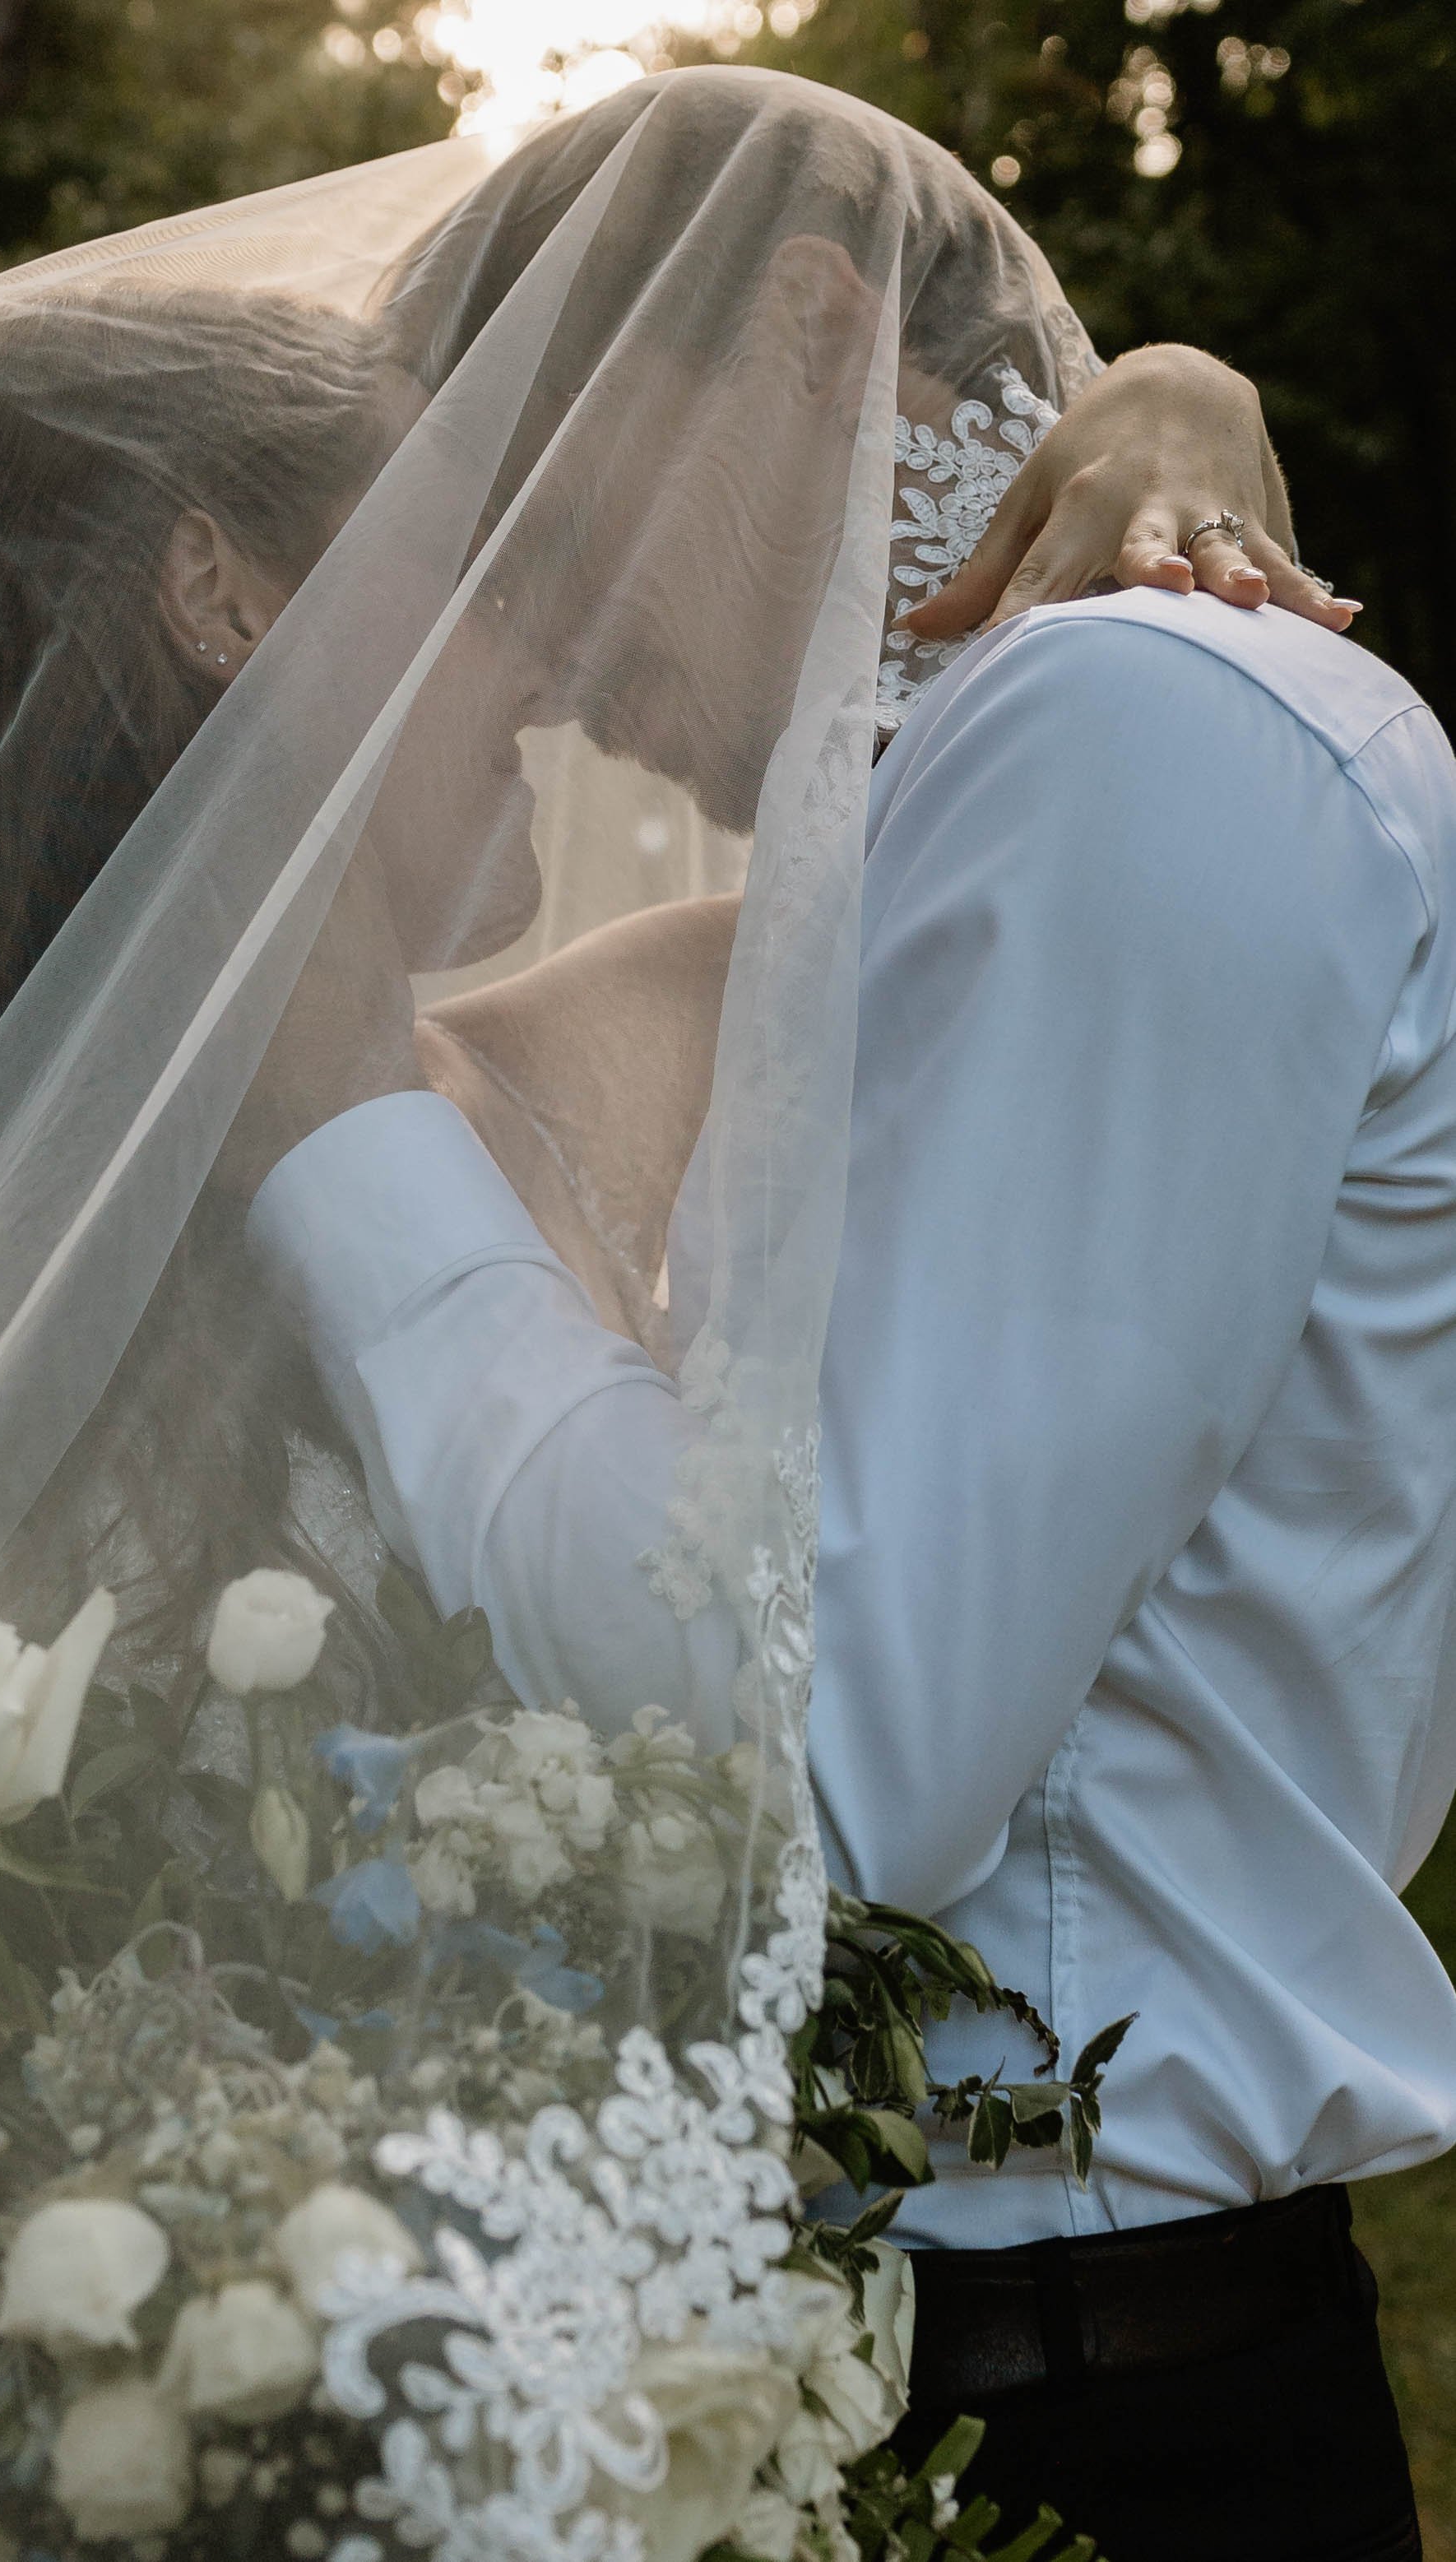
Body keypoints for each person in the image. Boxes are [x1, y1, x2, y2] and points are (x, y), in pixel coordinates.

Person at [0, 63, 1411, 2562]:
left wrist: (1157, 413)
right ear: (229, 595)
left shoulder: (621, 1048)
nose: (551, 653)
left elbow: (1059, 870)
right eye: (471, 545)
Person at [235, 88, 1456, 2562]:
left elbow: (839, 1752)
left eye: (567, 545)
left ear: (811, 332)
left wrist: (332, 1128)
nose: (555, 683)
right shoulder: (949, 832)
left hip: (1099, 2414)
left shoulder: (1137, 729)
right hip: (910, 2376)